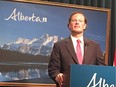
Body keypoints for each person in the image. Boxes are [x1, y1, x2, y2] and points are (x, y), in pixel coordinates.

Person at [48, 12, 106, 87]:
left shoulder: (95, 46)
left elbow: (102, 68)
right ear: (69, 25)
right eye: (74, 20)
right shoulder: (59, 45)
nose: (77, 22)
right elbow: (53, 69)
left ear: (84, 26)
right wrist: (58, 76)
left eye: (80, 21)